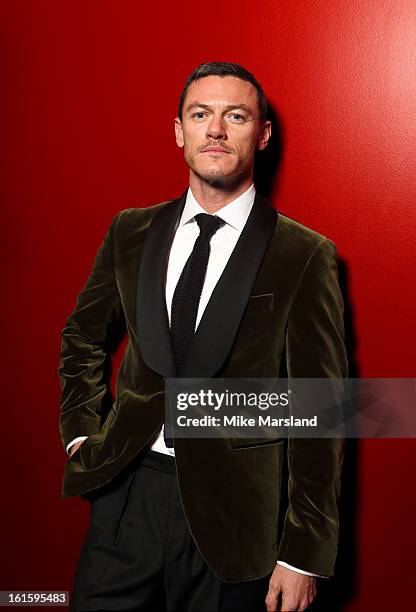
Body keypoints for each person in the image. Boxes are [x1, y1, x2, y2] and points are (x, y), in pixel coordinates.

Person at [59, 61, 347, 612]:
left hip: (237, 520)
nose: (215, 130)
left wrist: (303, 553)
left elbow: (322, 408)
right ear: (179, 131)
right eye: (200, 114)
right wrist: (80, 433)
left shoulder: (305, 255)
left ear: (261, 134)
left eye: (234, 116)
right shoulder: (130, 230)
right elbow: (81, 337)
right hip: (127, 492)